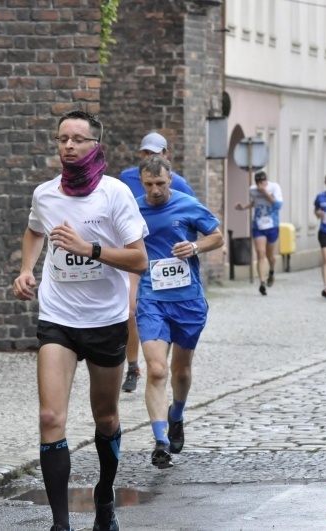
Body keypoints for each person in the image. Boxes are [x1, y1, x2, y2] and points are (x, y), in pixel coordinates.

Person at [13, 110, 149, 531]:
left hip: (106, 320)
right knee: (51, 418)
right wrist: (26, 269)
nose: (68, 146)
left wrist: (89, 249)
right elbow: (36, 229)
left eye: (77, 139)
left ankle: (104, 495)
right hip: (58, 317)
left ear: (95, 146)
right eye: (62, 139)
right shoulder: (45, 194)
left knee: (105, 417)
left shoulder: (115, 195)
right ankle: (60, 523)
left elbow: (139, 259)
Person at [134, 155, 223, 469]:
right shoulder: (134, 208)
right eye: (149, 184)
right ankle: (160, 441)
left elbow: (217, 235)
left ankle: (177, 415)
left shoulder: (187, 205)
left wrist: (195, 247)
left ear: (170, 180)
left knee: (180, 371)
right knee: (157, 370)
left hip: (188, 302)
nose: (155, 190)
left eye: (160, 183)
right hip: (151, 300)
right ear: (142, 182)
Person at [117, 132, 195, 393]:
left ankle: (163, 361)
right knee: (130, 310)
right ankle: (132, 365)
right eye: (146, 153)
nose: (151, 157)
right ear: (140, 156)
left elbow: (193, 217)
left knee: (160, 313)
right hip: (136, 253)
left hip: (167, 261)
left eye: (157, 153)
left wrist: (192, 246)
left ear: (166, 155)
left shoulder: (180, 184)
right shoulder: (126, 179)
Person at [235, 170, 283, 295]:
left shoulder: (274, 187)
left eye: (263, 182)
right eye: (258, 183)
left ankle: (271, 270)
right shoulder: (253, 189)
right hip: (258, 224)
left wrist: (265, 192)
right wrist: (244, 207)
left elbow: (278, 205)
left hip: (272, 224)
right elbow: (255, 202)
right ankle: (262, 283)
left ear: (266, 181)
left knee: (270, 255)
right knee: (260, 254)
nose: (260, 185)